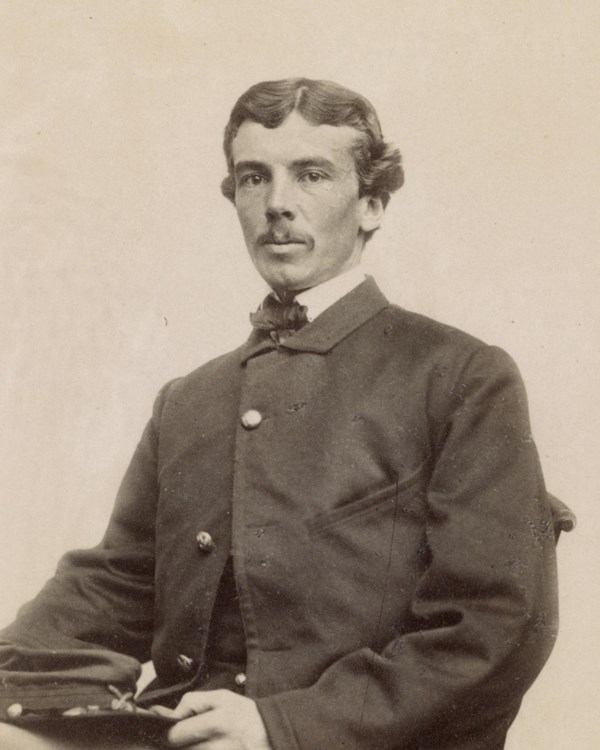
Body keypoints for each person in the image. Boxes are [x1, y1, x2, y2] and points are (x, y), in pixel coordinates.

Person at [0, 78, 558, 750]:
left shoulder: (458, 375)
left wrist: (283, 727)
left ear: (373, 203)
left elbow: (496, 623)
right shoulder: (190, 399)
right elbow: (115, 585)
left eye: (312, 175)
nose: (277, 204)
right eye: (253, 178)